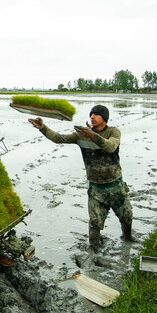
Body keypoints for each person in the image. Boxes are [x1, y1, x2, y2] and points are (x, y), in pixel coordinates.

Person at [28, 105, 133, 249]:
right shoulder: (81, 135)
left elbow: (111, 147)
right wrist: (43, 128)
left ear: (104, 118)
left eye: (96, 114)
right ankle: (94, 249)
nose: (92, 117)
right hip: (96, 188)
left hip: (116, 184)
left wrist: (93, 136)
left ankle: (127, 239)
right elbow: (59, 138)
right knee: (95, 222)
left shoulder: (113, 131)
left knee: (126, 216)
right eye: (91, 114)